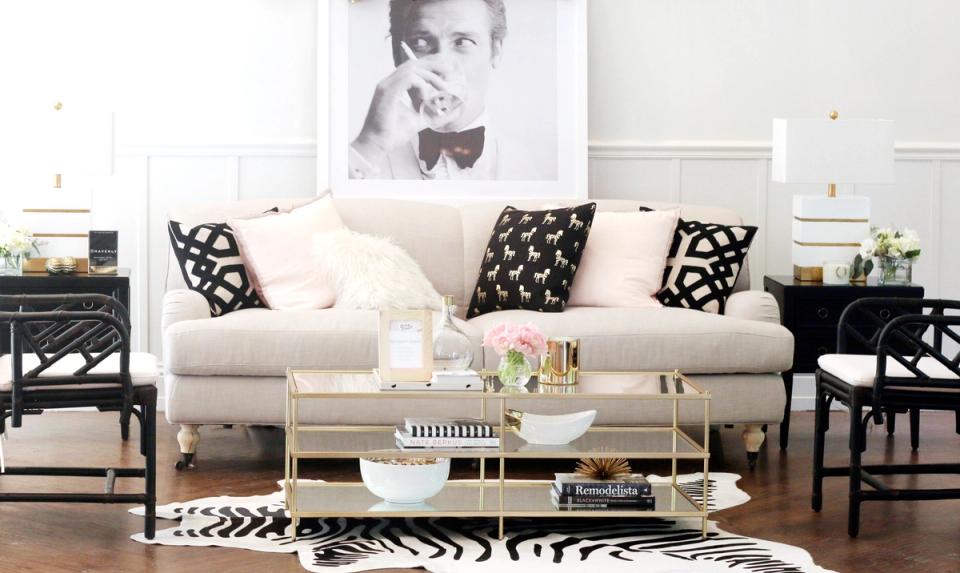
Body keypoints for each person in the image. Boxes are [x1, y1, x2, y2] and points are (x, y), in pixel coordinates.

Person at [350, 0, 540, 180]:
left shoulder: (533, 171)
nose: (442, 67)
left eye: (462, 42)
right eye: (420, 43)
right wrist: (371, 145)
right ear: (397, 55)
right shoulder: (359, 160)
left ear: (496, 51)